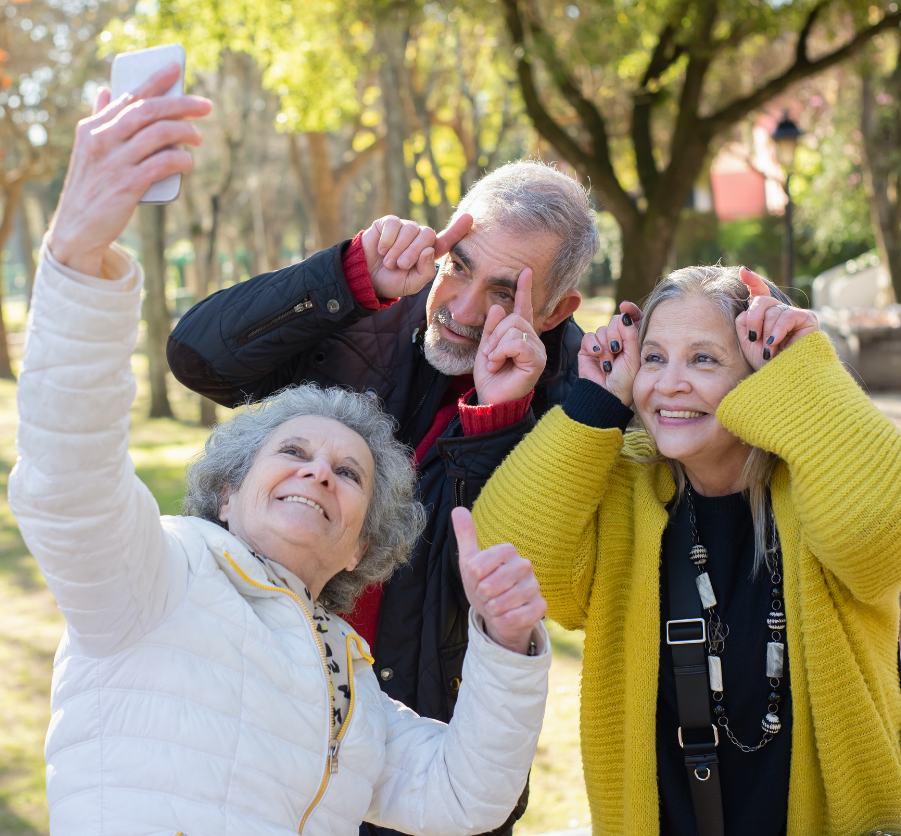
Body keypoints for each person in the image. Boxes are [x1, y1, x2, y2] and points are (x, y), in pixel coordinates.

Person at [9, 64, 553, 836]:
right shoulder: (157, 579)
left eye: (348, 473)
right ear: (228, 492)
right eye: (292, 450)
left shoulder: (351, 685)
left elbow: (465, 796)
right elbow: (66, 479)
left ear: (366, 542)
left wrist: (506, 646)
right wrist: (76, 253)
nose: (317, 472)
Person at [168, 141, 599, 835]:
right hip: (263, 707)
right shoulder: (370, 306)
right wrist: (347, 273)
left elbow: (490, 575)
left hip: (419, 755)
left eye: (502, 292)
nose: (459, 307)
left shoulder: (580, 398)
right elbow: (197, 358)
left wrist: (496, 420)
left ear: (555, 310)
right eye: (459, 265)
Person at [469, 264, 901, 835]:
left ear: (760, 375)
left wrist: (807, 370)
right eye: (655, 358)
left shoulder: (820, 484)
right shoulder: (626, 487)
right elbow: (508, 561)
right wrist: (595, 402)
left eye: (703, 359)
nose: (668, 384)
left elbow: (882, 532)